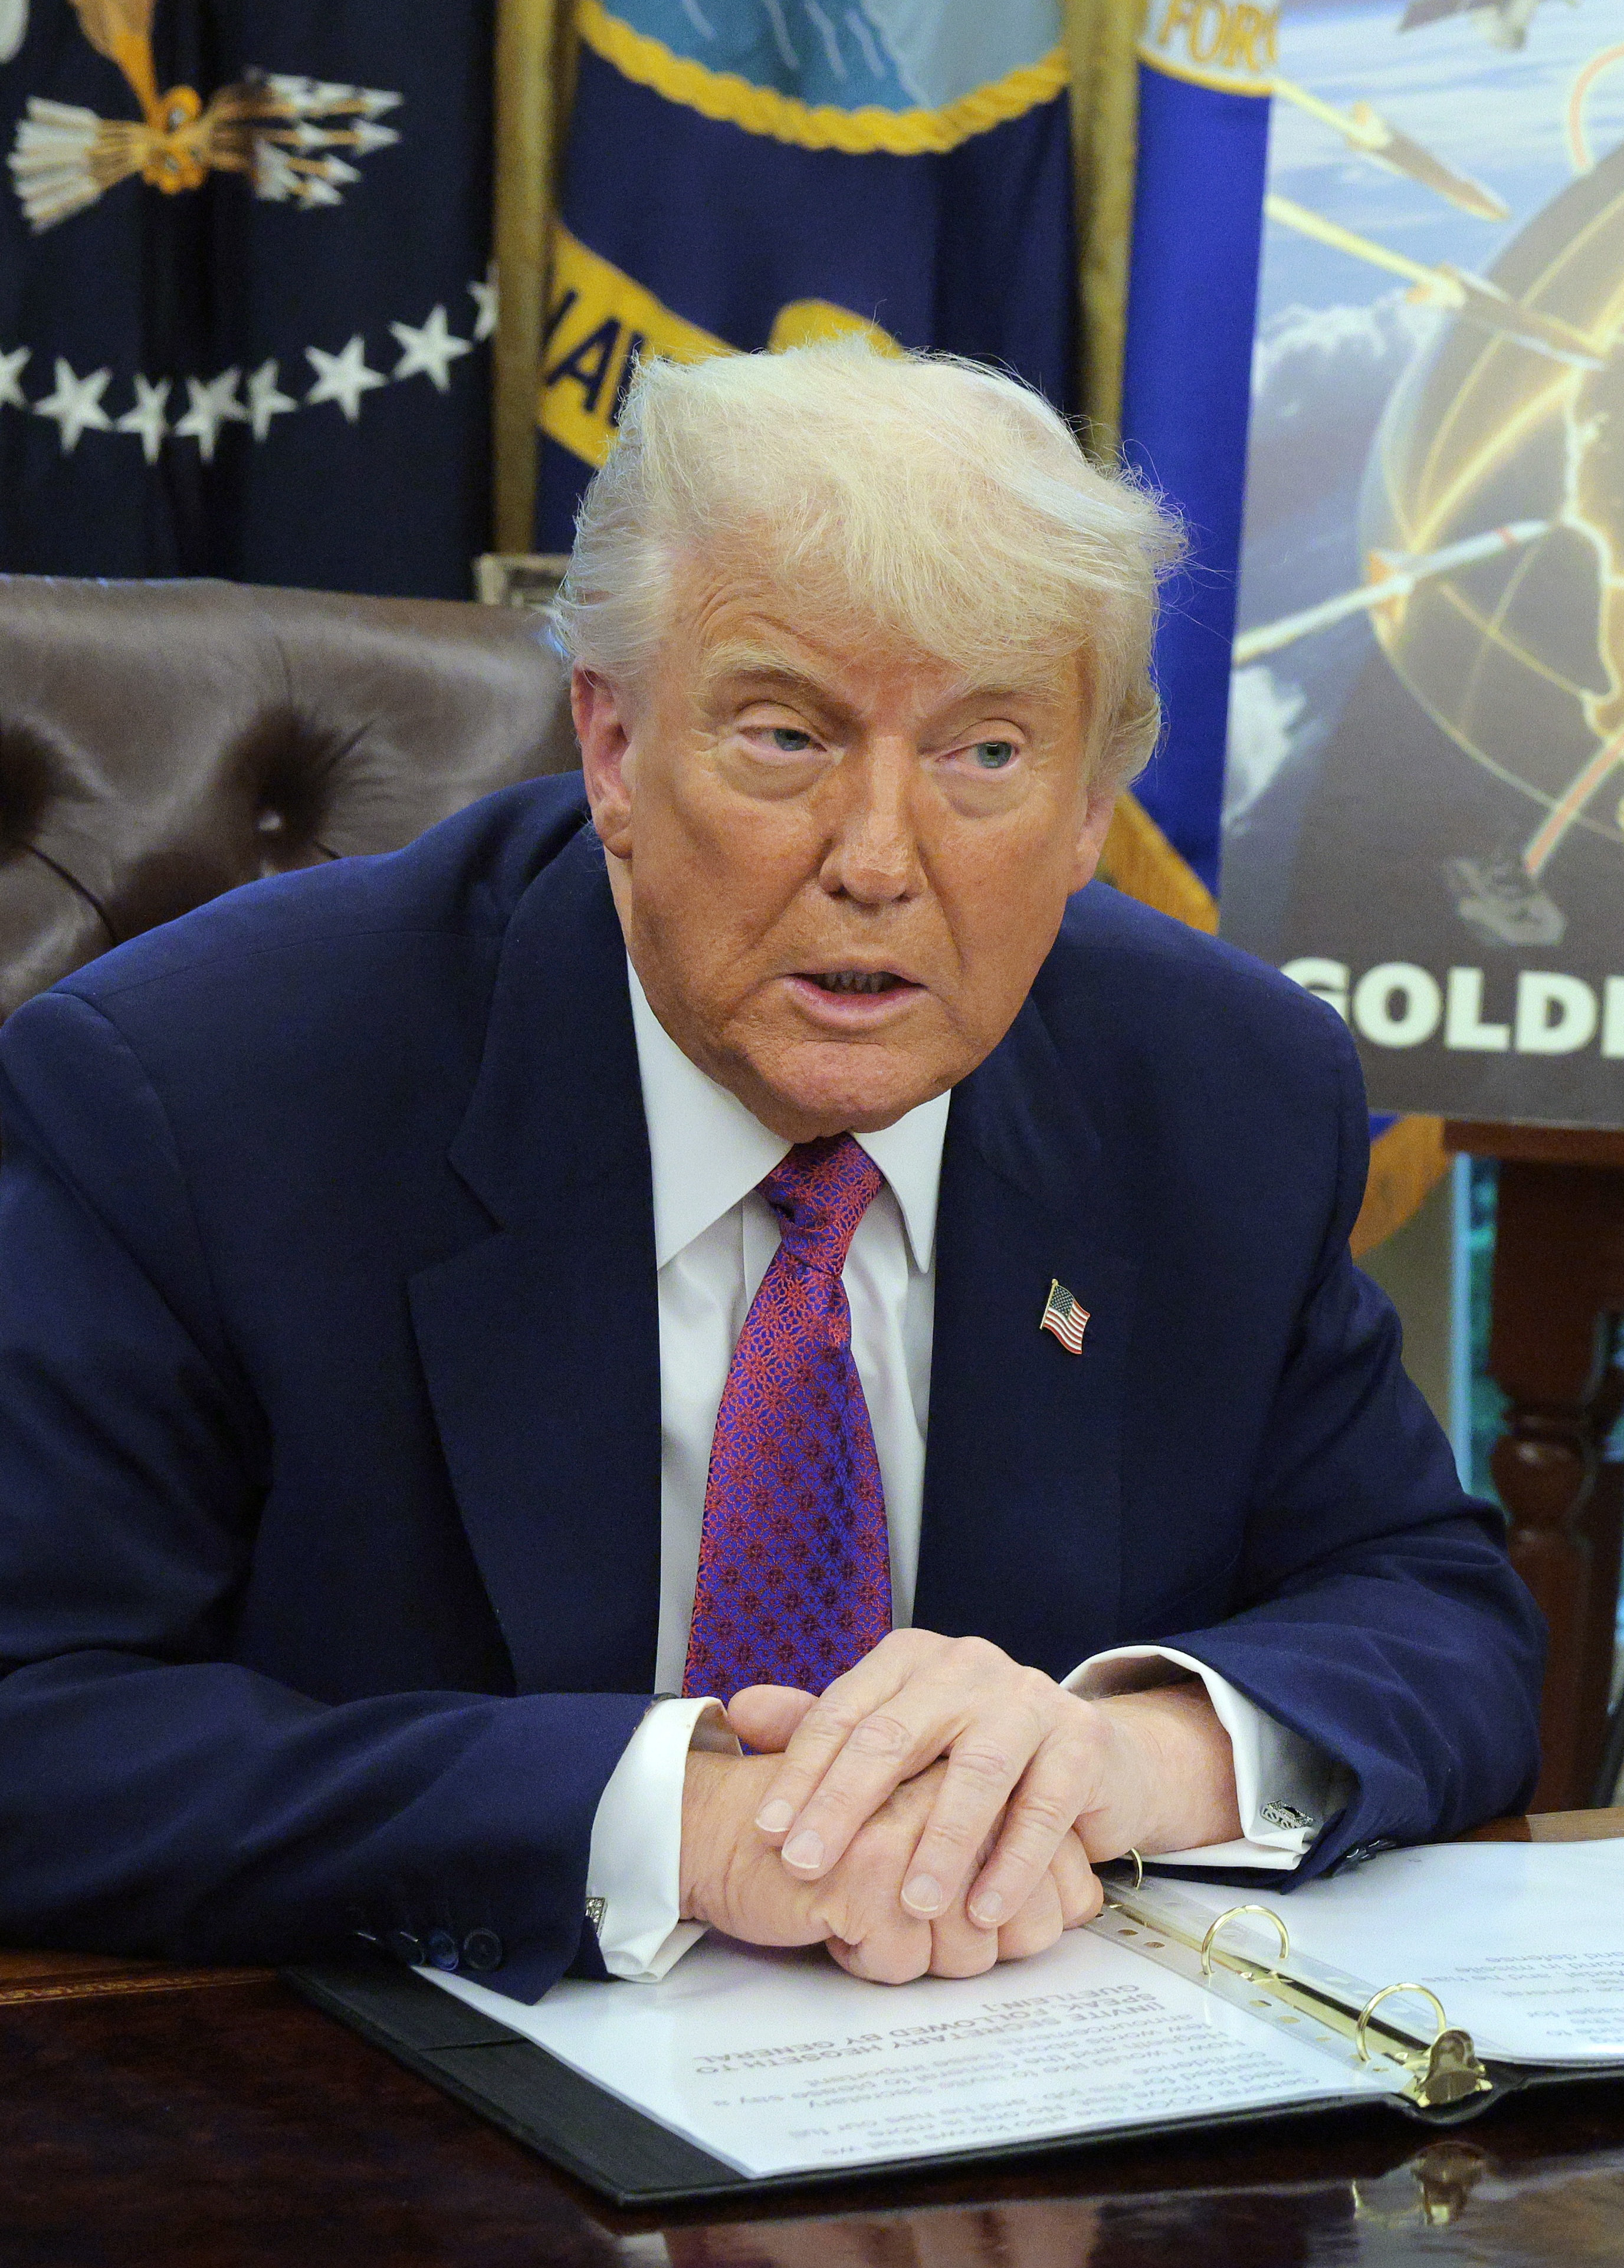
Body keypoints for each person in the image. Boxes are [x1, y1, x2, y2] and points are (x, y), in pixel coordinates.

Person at [0, 340, 1541, 1995]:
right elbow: (39, 1722)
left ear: (1095, 808)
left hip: (1025, 2122)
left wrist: (1113, 1761)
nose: (878, 861)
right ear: (612, 751)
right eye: (786, 738)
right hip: (385, 2157)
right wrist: (689, 1827)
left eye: (988, 756)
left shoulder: (1223, 1092)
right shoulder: (201, 1090)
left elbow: (1436, 1612)